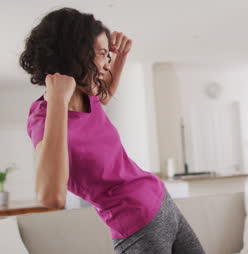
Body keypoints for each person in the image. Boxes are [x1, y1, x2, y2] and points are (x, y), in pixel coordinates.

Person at [20, 7, 205, 254]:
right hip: (137, 228)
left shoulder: (89, 94)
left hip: (161, 201)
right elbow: (51, 195)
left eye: (107, 56)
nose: (106, 65)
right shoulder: (44, 118)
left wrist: (120, 56)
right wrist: (57, 102)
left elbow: (104, 94)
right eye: (101, 55)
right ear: (75, 55)